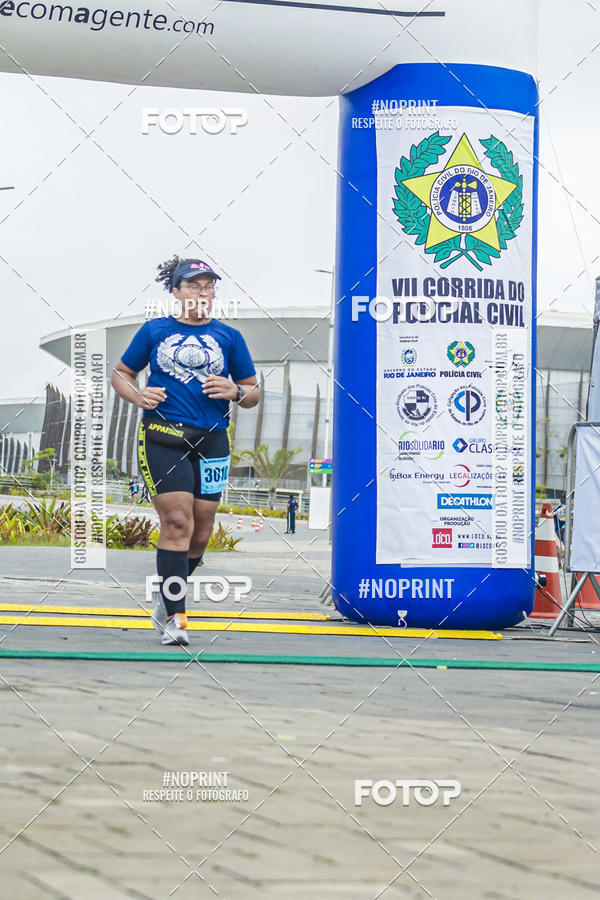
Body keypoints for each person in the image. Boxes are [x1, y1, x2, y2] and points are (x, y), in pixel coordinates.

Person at [111, 255, 259, 645]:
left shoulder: (230, 337)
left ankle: (166, 597)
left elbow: (252, 391)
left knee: (201, 532)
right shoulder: (154, 330)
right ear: (175, 292)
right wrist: (138, 394)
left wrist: (237, 392)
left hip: (212, 440)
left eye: (208, 286)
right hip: (163, 435)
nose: (202, 292)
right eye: (193, 285)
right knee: (178, 523)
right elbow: (121, 374)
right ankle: (178, 618)